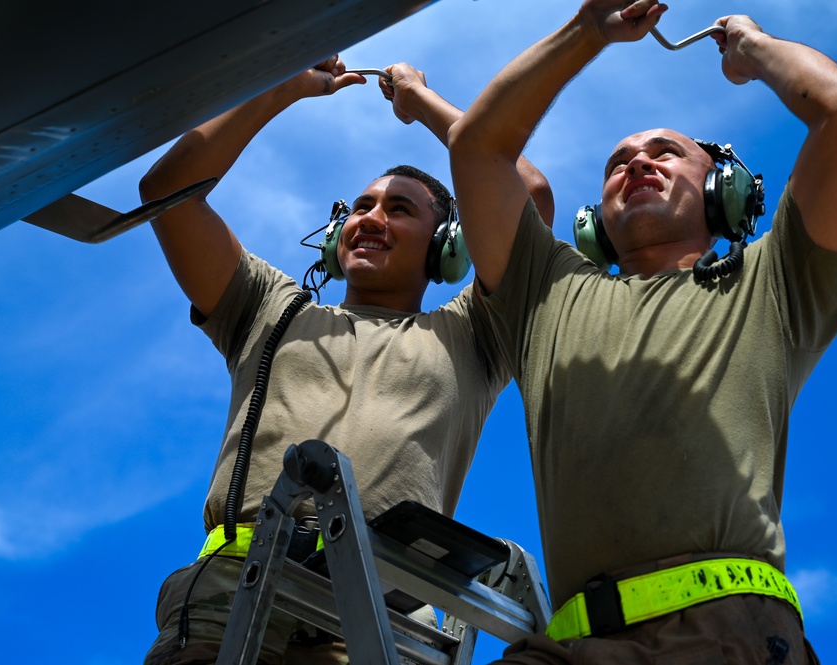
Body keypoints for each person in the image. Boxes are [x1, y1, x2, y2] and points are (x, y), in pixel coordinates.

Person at [448, 1, 837, 662]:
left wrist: (749, 43)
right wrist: (587, 30)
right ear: (594, 219)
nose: (637, 163)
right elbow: (479, 147)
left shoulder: (775, 282)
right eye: (618, 161)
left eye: (666, 153)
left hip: (723, 632)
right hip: (570, 642)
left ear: (725, 193)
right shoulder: (544, 290)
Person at [138, 55, 554, 664]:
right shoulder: (268, 307)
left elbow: (531, 196)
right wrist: (278, 88)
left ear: (449, 250)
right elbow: (167, 193)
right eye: (360, 207)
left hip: (385, 615)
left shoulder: (475, 336)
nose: (370, 219)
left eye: (400, 209)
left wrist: (421, 103)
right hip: (235, 592)